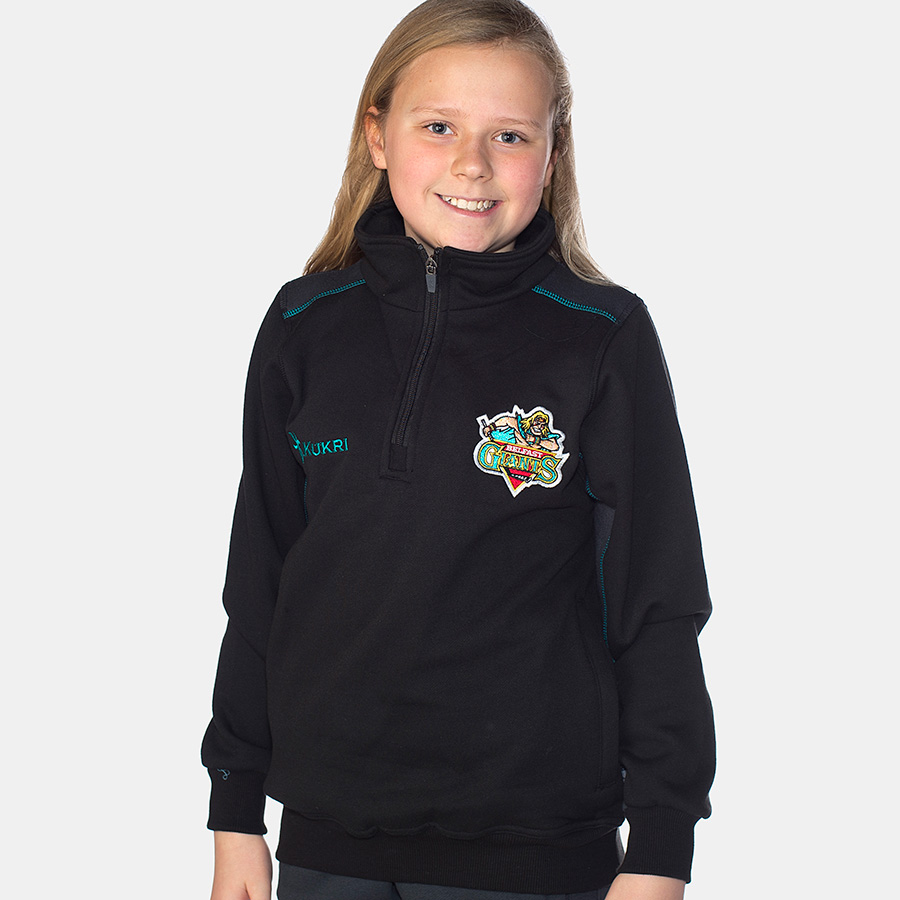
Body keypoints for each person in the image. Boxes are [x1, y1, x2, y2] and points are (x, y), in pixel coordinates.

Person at [201, 1, 715, 898]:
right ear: (378, 135)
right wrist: (235, 812)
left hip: (534, 856)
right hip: (327, 849)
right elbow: (259, 581)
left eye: (510, 135)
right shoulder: (303, 324)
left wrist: (662, 851)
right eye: (438, 126)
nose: (472, 164)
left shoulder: (600, 336)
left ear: (553, 151)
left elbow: (657, 601)